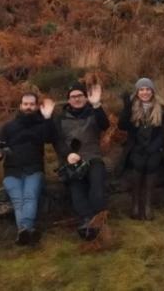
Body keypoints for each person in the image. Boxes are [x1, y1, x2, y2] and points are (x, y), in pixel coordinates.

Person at [48, 82, 111, 240]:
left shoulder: (93, 113)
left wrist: (97, 104)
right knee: (76, 191)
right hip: (71, 162)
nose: (76, 99)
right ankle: (87, 221)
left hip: (93, 157)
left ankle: (96, 223)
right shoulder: (60, 118)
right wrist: (68, 154)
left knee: (97, 188)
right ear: (68, 100)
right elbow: (55, 140)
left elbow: (105, 124)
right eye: (73, 97)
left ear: (85, 97)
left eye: (80, 96)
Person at [0, 92, 54, 246]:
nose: (28, 107)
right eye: (25, 104)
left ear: (36, 106)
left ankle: (24, 231)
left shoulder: (41, 125)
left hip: (34, 170)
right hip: (12, 172)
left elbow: (50, 137)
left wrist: (47, 118)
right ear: (20, 106)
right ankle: (27, 232)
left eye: (31, 104)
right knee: (18, 201)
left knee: (30, 196)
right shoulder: (8, 127)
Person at [118, 77, 164, 220]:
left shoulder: (161, 107)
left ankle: (147, 206)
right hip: (136, 146)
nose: (145, 92)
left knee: (152, 164)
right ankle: (135, 205)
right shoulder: (132, 106)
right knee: (138, 164)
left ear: (152, 91)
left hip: (155, 146)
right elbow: (122, 126)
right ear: (137, 92)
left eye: (147, 89)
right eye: (141, 89)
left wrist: (154, 146)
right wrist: (126, 106)